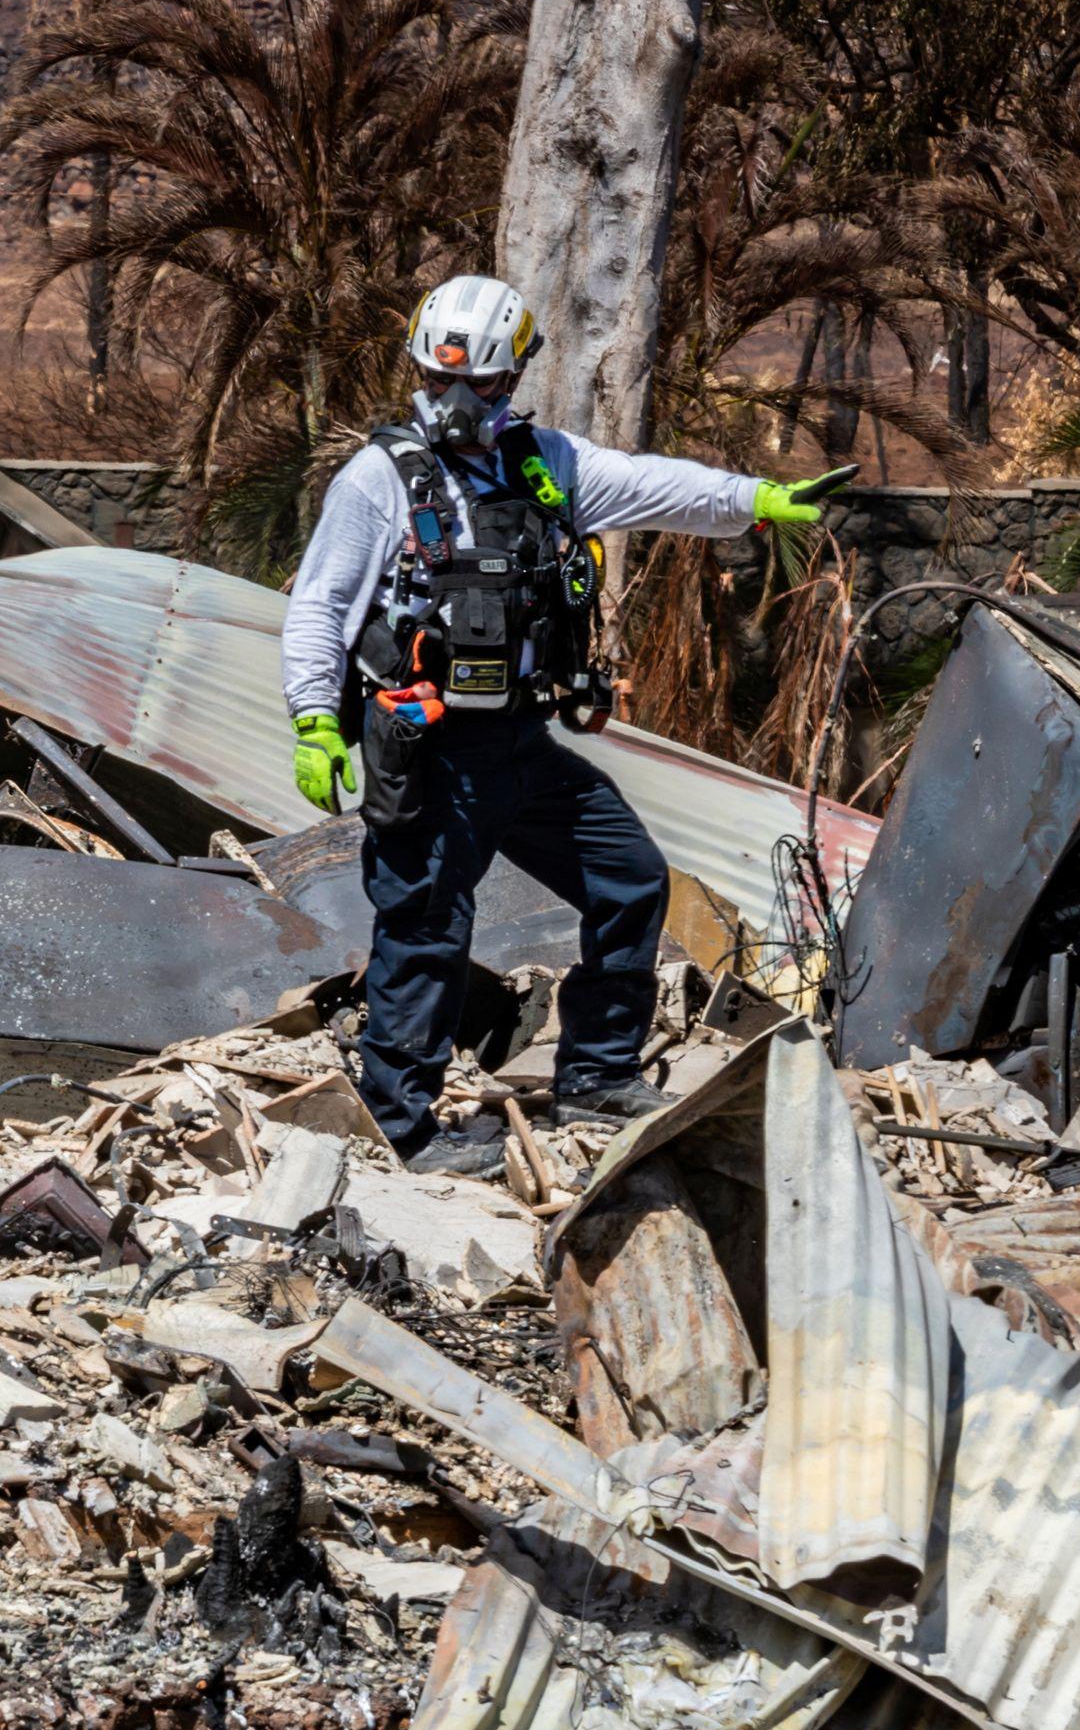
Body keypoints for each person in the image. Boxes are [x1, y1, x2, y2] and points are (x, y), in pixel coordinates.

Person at [282, 274, 836, 1171]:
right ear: (418, 371)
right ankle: (404, 1127)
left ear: (513, 378)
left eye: (482, 385)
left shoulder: (549, 467)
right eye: (436, 381)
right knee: (426, 929)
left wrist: (759, 500)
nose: (456, 402)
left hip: (521, 744)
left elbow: (658, 488)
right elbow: (320, 606)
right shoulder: (379, 479)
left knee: (629, 880)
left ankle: (598, 1073)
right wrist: (314, 717)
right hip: (429, 750)